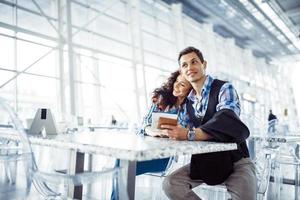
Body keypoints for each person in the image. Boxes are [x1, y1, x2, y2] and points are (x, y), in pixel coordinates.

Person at [162, 46, 257, 200]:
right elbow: (178, 127)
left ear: (204, 64)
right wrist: (174, 102)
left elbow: (227, 119)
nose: (190, 67)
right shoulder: (188, 102)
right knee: (171, 184)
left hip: (236, 162)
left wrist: (190, 134)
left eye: (194, 62)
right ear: (181, 71)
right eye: (184, 65)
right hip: (206, 163)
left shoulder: (224, 88)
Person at [111, 70, 192, 200]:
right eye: (176, 81)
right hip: (147, 150)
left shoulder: (191, 109)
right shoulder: (162, 99)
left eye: (182, 85)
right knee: (122, 160)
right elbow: (143, 125)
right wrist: (152, 131)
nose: (176, 86)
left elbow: (190, 133)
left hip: (166, 158)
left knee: (122, 167)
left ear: (190, 90)